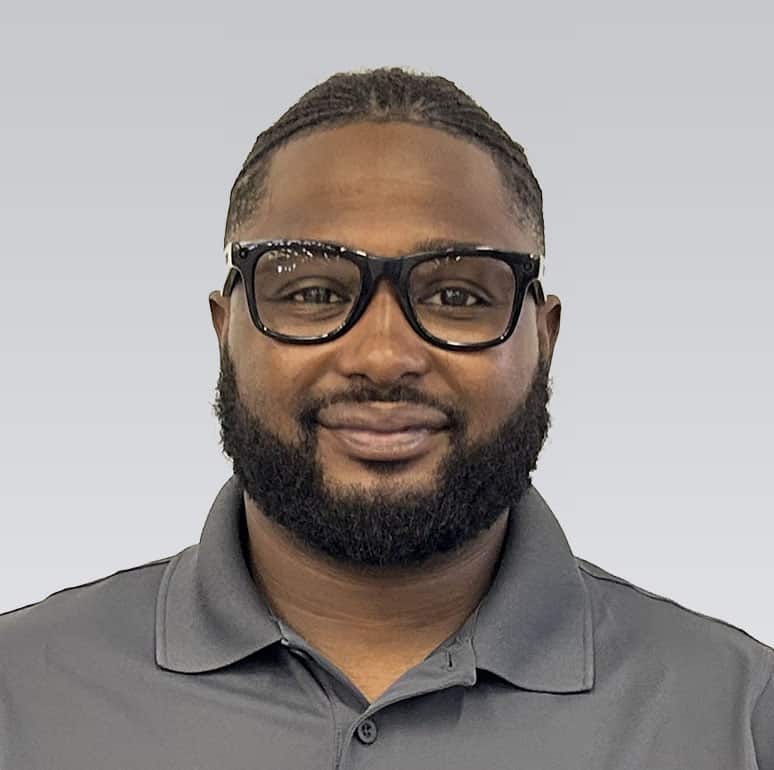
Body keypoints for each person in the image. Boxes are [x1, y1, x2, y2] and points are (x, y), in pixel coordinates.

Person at [0, 66, 771, 769]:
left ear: (544, 338)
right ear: (224, 329)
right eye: (312, 293)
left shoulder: (740, 716)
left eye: (456, 296)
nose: (382, 355)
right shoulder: (20, 694)